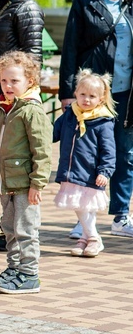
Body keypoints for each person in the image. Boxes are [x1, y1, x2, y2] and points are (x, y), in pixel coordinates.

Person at [59, 0, 133, 239]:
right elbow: (70, 47)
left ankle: (120, 215)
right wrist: (67, 92)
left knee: (125, 155)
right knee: (88, 156)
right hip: (92, 94)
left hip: (126, 94)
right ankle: (86, 218)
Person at [0, 51, 52, 294]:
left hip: (24, 184)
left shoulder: (31, 111)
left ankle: (29, 273)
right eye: (4, 80)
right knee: (9, 227)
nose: (8, 85)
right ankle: (13, 268)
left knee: (25, 229)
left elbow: (42, 150)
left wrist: (37, 184)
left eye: (14, 81)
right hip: (5, 182)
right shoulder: (1, 108)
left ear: (30, 81)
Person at [54, 69, 116, 257]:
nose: (86, 100)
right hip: (71, 170)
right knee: (81, 206)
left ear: (101, 99)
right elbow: (54, 132)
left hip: (91, 173)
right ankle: (86, 238)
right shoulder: (69, 115)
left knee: (84, 207)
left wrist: (105, 171)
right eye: (82, 95)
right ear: (75, 94)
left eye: (92, 96)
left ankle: (94, 239)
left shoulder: (103, 122)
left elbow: (108, 150)